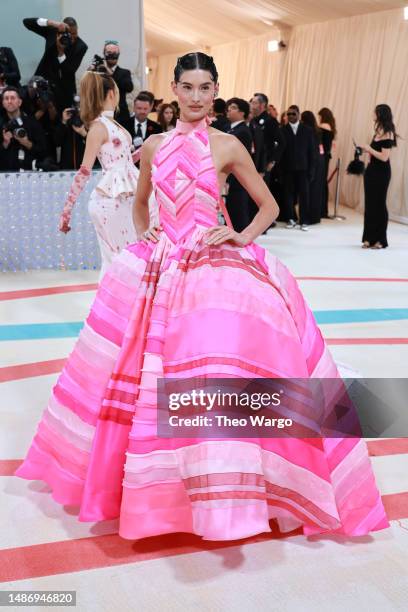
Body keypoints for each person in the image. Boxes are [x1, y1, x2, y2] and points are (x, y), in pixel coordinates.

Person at [16, 52, 388, 543]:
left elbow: (269, 205)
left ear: (216, 90)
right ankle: (158, 492)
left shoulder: (228, 145)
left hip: (211, 263)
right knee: (144, 372)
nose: (195, 97)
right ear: (173, 89)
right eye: (187, 87)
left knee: (216, 364)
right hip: (160, 266)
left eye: (204, 87)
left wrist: (240, 236)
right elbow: (142, 204)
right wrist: (149, 239)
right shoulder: (152, 146)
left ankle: (232, 485)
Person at [57, 69, 147, 277]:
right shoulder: (98, 127)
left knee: (128, 256)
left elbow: (123, 161)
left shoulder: (110, 124)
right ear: (111, 94)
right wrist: (66, 212)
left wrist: (146, 149)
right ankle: (112, 304)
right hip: (112, 198)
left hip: (125, 193)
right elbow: (84, 171)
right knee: (120, 259)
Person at [22, 16, 88, 112]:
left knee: (62, 117)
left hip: (64, 88)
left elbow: (69, 71)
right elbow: (27, 22)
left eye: (75, 34)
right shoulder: (53, 33)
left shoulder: (81, 47)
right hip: (43, 80)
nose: (72, 37)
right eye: (68, 34)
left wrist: (61, 52)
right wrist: (52, 23)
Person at [361, 104, 397, 249]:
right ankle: (368, 238)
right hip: (371, 171)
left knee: (379, 204)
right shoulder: (377, 131)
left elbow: (384, 157)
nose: (372, 114)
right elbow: (375, 153)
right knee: (369, 205)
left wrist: (369, 148)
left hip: (382, 173)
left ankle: (381, 239)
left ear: (380, 114)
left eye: (374, 112)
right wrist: (366, 151)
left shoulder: (388, 133)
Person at [280, 105, 315, 231]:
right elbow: (281, 152)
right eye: (288, 114)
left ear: (298, 114)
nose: (290, 116)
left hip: (303, 169)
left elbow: (312, 152)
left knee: (304, 195)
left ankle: (304, 220)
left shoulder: (307, 130)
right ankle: (290, 218)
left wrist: (311, 170)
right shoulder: (282, 130)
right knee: (288, 195)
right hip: (288, 169)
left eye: (293, 114)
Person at [0, 86, 47, 171]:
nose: (9, 101)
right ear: (3, 103)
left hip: (29, 174)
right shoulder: (1, 124)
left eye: (13, 98)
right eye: (6, 99)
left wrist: (26, 143)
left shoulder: (32, 123)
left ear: (20, 102)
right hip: (5, 174)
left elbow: (44, 152)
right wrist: (5, 144)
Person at [225, 97, 252, 232]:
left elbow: (237, 159)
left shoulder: (242, 131)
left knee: (238, 209)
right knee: (231, 209)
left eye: (234, 107)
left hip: (237, 178)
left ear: (242, 113)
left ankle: (241, 239)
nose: (229, 109)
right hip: (231, 177)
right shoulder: (231, 129)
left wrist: (229, 178)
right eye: (229, 107)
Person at [102, 40, 133, 127]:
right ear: (104, 54)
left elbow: (129, 88)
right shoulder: (98, 73)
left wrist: (111, 74)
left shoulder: (124, 73)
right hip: (101, 114)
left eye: (115, 53)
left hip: (121, 116)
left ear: (118, 54)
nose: (112, 55)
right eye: (109, 52)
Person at [301, 110, 325, 224]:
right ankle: (315, 216)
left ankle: (309, 217)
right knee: (316, 190)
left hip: (312, 162)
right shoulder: (317, 130)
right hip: (320, 161)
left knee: (309, 191)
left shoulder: (307, 131)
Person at [318, 107, 336, 218]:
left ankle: (322, 210)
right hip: (326, 156)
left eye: (319, 116)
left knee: (321, 183)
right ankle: (323, 210)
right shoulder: (330, 127)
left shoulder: (323, 126)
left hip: (323, 157)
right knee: (323, 183)